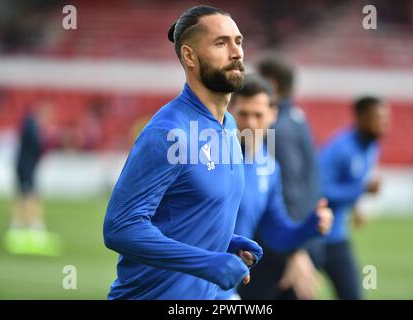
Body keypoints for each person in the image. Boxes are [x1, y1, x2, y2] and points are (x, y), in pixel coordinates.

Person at [103, 5, 263, 300]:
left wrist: (224, 242)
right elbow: (120, 227)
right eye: (221, 43)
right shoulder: (168, 133)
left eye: (238, 41)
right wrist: (207, 261)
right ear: (189, 56)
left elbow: (180, 216)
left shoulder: (228, 125)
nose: (236, 52)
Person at [216, 75, 333, 300]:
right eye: (244, 114)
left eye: (258, 115)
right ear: (231, 113)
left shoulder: (269, 168)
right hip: (192, 285)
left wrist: (311, 225)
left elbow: (277, 233)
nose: (250, 123)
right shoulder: (211, 158)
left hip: (226, 287)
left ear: (273, 115)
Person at [240, 54, 321, 300]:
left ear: (272, 86)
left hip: (279, 251)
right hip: (290, 240)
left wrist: (296, 251)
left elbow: (290, 190)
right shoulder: (297, 118)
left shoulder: (277, 132)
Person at [313, 96, 390, 299]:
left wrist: (357, 207)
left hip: (337, 236)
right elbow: (317, 190)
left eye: (385, 119)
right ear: (361, 118)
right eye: (378, 118)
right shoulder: (339, 148)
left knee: (352, 294)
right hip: (313, 236)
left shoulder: (372, 145)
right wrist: (360, 190)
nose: (384, 125)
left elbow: (352, 179)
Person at [4, 104, 62, 256]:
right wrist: (48, 137)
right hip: (25, 167)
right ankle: (30, 226)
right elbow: (36, 144)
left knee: (25, 195)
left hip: (26, 166)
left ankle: (22, 225)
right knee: (29, 196)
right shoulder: (31, 124)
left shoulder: (32, 125)